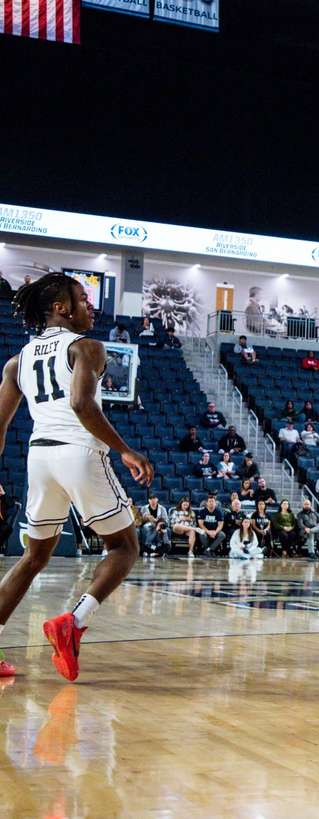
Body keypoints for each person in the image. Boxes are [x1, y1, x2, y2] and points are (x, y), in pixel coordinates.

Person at [0, 273, 154, 680]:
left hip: (39, 458)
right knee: (124, 547)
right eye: (83, 300)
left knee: (34, 557)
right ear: (61, 308)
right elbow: (82, 404)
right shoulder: (87, 346)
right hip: (79, 452)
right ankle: (74, 622)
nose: (90, 307)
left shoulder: (18, 361)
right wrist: (125, 450)